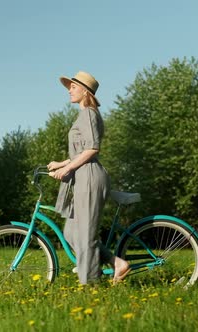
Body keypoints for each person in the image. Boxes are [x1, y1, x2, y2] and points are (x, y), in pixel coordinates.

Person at [48, 71, 130, 285]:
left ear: (85, 91)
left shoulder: (89, 114)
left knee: (85, 236)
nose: (69, 90)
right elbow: (80, 152)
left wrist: (67, 169)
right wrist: (62, 163)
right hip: (83, 177)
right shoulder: (84, 115)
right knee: (71, 232)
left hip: (91, 178)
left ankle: (91, 285)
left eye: (73, 86)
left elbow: (92, 148)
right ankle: (116, 263)